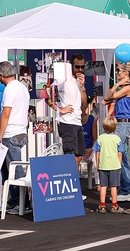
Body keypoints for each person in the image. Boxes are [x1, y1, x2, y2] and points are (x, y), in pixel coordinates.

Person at [47, 53, 88, 200]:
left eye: (83, 67)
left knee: (78, 157)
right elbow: (46, 94)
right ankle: (69, 191)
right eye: (77, 66)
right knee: (70, 156)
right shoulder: (62, 80)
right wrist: (59, 109)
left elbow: (84, 103)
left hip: (77, 122)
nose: (80, 69)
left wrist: (82, 87)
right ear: (71, 65)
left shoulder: (79, 81)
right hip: (66, 122)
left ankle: (72, 188)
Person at [101, 62, 130, 201]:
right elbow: (107, 98)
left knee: (118, 156)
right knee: (122, 156)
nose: (117, 73)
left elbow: (108, 97)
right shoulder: (125, 88)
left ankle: (125, 189)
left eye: (119, 71)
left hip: (123, 124)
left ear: (126, 74)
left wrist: (116, 86)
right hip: (120, 123)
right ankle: (125, 189)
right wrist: (114, 89)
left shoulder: (128, 88)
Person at [0, 61, 31, 215]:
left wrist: (0, 135)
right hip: (21, 131)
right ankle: (14, 201)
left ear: (1, 76)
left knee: (14, 171)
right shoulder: (22, 87)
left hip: (11, 133)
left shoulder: (10, 89)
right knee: (8, 169)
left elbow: (6, 113)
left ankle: (22, 203)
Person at [93, 116, 124, 214]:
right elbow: (120, 153)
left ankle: (102, 205)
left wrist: (98, 164)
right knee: (114, 187)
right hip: (114, 165)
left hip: (103, 165)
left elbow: (97, 152)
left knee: (103, 186)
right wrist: (119, 164)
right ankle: (114, 205)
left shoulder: (100, 138)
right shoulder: (117, 139)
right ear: (115, 127)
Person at [81, 97, 99, 191]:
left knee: (97, 156)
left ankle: (98, 184)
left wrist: (91, 149)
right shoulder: (73, 120)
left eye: (83, 104)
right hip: (78, 150)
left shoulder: (92, 119)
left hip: (89, 149)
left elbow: (95, 139)